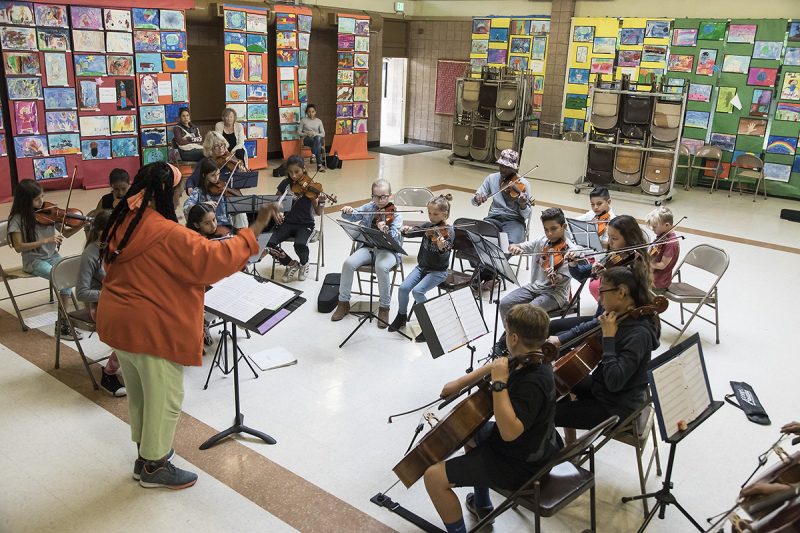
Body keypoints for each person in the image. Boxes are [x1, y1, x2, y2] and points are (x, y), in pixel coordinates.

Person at [96, 162, 278, 489]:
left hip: (117, 321)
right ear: (164, 193)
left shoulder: (127, 216)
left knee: (140, 395)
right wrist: (257, 225)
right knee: (165, 397)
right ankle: (155, 467)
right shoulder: (167, 232)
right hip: (149, 328)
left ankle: (144, 456)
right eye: (179, 193)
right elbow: (212, 261)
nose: (180, 199)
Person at [423, 304, 560, 532]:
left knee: (433, 478)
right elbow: (503, 364)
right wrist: (460, 383)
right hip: (536, 445)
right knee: (467, 427)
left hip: (522, 463)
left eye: (506, 332)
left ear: (513, 337)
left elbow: (509, 432)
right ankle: (482, 504)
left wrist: (499, 384)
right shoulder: (534, 359)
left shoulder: (533, 381)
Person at [550, 267, 660, 432]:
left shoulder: (639, 334)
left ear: (621, 292)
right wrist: (559, 340)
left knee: (545, 416)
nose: (599, 299)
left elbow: (614, 381)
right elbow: (588, 327)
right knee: (556, 380)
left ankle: (556, 451)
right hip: (602, 389)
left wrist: (608, 338)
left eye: (602, 292)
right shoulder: (618, 315)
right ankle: (569, 442)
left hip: (616, 407)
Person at [7, 179, 82, 340]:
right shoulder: (17, 220)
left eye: (42, 196)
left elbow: (67, 234)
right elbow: (19, 246)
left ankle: (61, 322)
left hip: (52, 256)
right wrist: (45, 241)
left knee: (66, 280)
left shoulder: (47, 213)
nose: (42, 201)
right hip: (33, 261)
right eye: (37, 199)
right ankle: (63, 325)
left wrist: (82, 224)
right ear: (25, 201)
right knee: (62, 278)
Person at [331, 179, 403, 327]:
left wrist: (387, 230)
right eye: (376, 196)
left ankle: (384, 307)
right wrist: (348, 211)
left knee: (381, 267)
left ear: (390, 196)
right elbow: (353, 216)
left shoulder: (396, 214)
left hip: (388, 251)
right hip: (368, 247)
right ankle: (343, 303)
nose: (380, 200)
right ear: (372, 196)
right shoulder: (369, 207)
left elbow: (396, 236)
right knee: (348, 263)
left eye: (384, 196)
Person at [388, 194, 455, 342]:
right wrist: (406, 230)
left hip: (438, 272)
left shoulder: (448, 232)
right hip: (422, 267)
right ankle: (401, 316)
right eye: (430, 213)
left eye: (435, 214)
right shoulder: (428, 226)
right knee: (403, 288)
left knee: (418, 291)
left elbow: (445, 250)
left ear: (445, 214)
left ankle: (429, 325)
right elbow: (413, 232)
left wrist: (441, 245)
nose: (431, 217)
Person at [75, 208, 125, 396]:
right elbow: (81, 292)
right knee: (131, 326)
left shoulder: (120, 246)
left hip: (122, 300)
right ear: (100, 232)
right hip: (101, 305)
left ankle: (137, 366)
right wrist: (111, 294)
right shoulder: (91, 253)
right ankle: (109, 373)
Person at [565, 214, 652, 306]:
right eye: (608, 236)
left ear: (630, 239)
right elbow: (580, 273)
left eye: (614, 238)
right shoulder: (614, 257)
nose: (609, 242)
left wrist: (606, 277)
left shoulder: (634, 265)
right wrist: (572, 264)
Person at [267, 155, 325, 283]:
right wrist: (277, 212)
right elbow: (274, 202)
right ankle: (291, 263)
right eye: (290, 172)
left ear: (304, 169)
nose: (293, 175)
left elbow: (318, 212)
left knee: (299, 244)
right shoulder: (285, 184)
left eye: (297, 172)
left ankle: (304, 263)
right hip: (287, 223)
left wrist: (321, 202)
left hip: (305, 224)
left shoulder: (310, 186)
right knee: (268, 243)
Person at [471, 149, 532, 245]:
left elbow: (527, 215)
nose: (503, 169)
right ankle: (485, 260)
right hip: (493, 218)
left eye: (507, 167)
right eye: (501, 165)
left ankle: (498, 260)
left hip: (515, 221)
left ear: (515, 168)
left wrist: (523, 205)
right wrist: (477, 198)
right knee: (477, 242)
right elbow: (474, 200)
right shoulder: (492, 178)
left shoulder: (523, 184)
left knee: (510, 245)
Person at [183, 158, 241, 232]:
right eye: (213, 175)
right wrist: (203, 204)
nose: (217, 178)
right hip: (208, 229)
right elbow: (186, 207)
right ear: (204, 175)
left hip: (225, 225)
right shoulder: (198, 191)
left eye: (218, 174)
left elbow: (233, 210)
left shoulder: (222, 187)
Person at [645, 206, 679, 294]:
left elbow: (662, 265)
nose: (652, 229)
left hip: (658, 282)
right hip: (651, 276)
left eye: (655, 227)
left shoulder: (671, 243)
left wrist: (648, 264)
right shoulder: (662, 237)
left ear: (666, 225)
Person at [299, 104, 326, 172]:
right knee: (318, 144)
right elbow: (298, 132)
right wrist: (306, 133)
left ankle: (313, 155)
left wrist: (315, 134)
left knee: (317, 139)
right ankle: (319, 165)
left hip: (317, 139)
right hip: (307, 139)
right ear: (306, 112)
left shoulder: (319, 121)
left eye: (313, 111)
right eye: (309, 112)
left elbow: (323, 134)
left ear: (315, 112)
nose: (311, 113)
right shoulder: (303, 120)